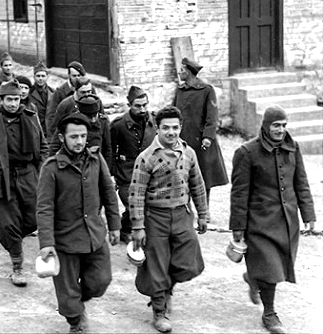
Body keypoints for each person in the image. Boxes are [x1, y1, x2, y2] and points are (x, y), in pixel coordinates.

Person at [229, 106, 316, 334]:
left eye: (284, 125)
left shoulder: (293, 147)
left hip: (287, 222)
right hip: (259, 222)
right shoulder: (246, 152)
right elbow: (239, 193)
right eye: (276, 125)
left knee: (275, 266)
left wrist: (308, 215)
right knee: (271, 268)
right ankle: (269, 313)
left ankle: (253, 278)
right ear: (266, 126)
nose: (281, 130)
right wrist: (238, 226)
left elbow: (301, 183)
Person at [37, 112, 121, 333]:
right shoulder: (51, 168)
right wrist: (46, 243)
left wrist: (114, 225)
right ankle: (75, 322)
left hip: (94, 234)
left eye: (83, 136)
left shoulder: (96, 159)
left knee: (101, 280)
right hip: (65, 239)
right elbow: (44, 208)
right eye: (74, 136)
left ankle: (76, 302)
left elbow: (108, 192)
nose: (80, 141)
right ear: (62, 138)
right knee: (67, 291)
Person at [129, 106, 208, 333]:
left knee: (188, 262)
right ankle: (159, 309)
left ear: (181, 127)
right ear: (157, 128)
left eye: (175, 127)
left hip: (182, 214)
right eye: (166, 128)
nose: (171, 132)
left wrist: (203, 214)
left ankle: (167, 290)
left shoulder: (189, 153)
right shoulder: (146, 158)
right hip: (156, 217)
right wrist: (138, 226)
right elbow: (136, 194)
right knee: (157, 264)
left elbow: (198, 185)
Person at [0, 80, 48, 286]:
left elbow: (43, 148)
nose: (13, 104)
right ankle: (17, 266)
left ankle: (14, 237)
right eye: (9, 100)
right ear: (2, 99)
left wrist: (44, 174)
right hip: (2, 178)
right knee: (7, 224)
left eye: (16, 99)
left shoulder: (31, 118)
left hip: (29, 176)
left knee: (35, 218)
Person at [173, 57, 228, 206]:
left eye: (182, 70)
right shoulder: (180, 90)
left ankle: (204, 210)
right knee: (183, 176)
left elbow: (212, 116)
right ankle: (186, 209)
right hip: (183, 141)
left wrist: (208, 137)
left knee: (204, 177)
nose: (179, 72)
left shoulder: (206, 90)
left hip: (201, 142)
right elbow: (173, 112)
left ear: (188, 72)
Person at [110, 86, 157, 243]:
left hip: (149, 173)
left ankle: (125, 227)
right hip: (127, 175)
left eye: (145, 105)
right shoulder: (118, 125)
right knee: (134, 204)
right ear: (129, 105)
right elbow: (110, 151)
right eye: (137, 106)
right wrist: (113, 174)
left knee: (146, 205)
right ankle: (128, 230)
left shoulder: (154, 121)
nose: (142, 109)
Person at [48, 94, 112, 170]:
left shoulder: (103, 122)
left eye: (95, 116)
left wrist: (106, 170)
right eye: (89, 117)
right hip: (72, 166)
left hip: (95, 166)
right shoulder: (69, 123)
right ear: (80, 113)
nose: (93, 120)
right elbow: (55, 146)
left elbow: (107, 149)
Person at [45, 61, 86, 138]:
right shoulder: (60, 92)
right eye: (74, 76)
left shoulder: (89, 90)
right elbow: (51, 116)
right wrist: (52, 138)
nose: (77, 78)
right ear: (69, 76)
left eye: (79, 75)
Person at [48, 77, 95, 141]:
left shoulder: (96, 102)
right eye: (83, 92)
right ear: (76, 90)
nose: (87, 95)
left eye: (89, 91)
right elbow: (55, 128)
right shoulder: (65, 105)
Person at [28, 61, 53, 137]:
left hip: (49, 132)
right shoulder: (28, 93)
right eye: (38, 76)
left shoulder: (53, 93)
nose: (40, 79)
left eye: (43, 76)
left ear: (47, 77)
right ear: (34, 77)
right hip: (34, 131)